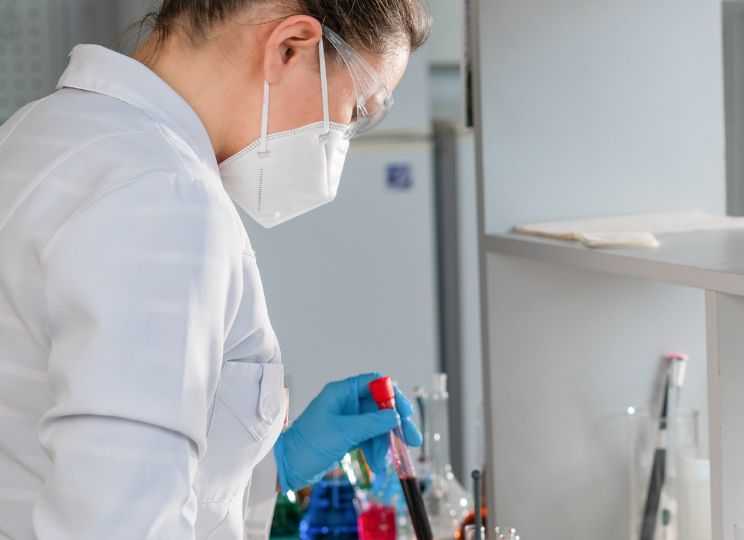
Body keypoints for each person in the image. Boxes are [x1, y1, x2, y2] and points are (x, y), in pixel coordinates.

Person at [0, 0, 430, 538]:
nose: (342, 135)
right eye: (356, 110)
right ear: (290, 46)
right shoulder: (162, 194)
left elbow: (90, 456)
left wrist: (275, 464)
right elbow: (121, 523)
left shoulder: (43, 129)